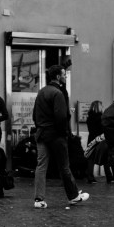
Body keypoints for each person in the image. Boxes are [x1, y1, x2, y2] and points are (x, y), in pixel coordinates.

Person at [32, 65, 89, 210]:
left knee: (41, 166)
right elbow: (61, 117)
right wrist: (64, 133)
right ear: (58, 77)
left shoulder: (41, 92)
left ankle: (39, 199)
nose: (65, 76)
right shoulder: (58, 93)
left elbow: (34, 115)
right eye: (64, 74)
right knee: (64, 166)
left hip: (42, 134)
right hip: (56, 135)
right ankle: (73, 196)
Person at [85, 100, 110, 184]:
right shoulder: (101, 117)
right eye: (101, 106)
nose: (102, 107)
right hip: (101, 138)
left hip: (92, 138)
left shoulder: (89, 117)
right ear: (98, 107)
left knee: (91, 158)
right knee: (106, 157)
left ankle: (90, 177)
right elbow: (103, 128)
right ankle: (109, 176)